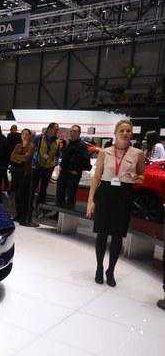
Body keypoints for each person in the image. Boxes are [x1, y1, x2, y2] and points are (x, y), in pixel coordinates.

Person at [87, 120, 145, 287]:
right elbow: (96, 177)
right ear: (115, 133)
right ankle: (99, 267)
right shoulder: (105, 152)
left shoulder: (138, 154)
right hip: (105, 193)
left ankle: (110, 270)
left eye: (128, 131)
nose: (125, 133)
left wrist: (137, 178)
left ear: (131, 133)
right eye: (122, 130)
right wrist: (91, 200)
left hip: (124, 195)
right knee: (102, 233)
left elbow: (142, 177)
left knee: (118, 236)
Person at [56, 125, 91, 209]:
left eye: (75, 131)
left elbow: (87, 163)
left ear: (79, 133)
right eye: (71, 131)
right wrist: (61, 166)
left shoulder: (82, 146)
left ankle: (69, 212)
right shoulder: (67, 144)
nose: (72, 133)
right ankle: (57, 213)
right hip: (63, 173)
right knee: (59, 194)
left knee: (70, 196)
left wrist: (77, 170)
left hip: (73, 175)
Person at [31, 122, 60, 213]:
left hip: (48, 168)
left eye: (57, 129)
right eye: (56, 129)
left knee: (43, 189)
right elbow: (32, 150)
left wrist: (55, 162)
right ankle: (29, 207)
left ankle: (39, 208)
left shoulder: (57, 141)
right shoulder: (39, 138)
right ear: (50, 129)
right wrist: (35, 160)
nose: (57, 131)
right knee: (32, 187)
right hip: (38, 166)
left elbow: (57, 154)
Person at [10, 128, 35, 225]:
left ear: (29, 136)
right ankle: (18, 214)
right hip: (16, 172)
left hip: (25, 173)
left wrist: (18, 157)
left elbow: (27, 158)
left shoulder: (31, 146)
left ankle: (24, 215)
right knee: (17, 195)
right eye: (23, 134)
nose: (24, 136)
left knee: (23, 195)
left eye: (26, 134)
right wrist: (20, 159)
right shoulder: (18, 145)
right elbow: (11, 157)